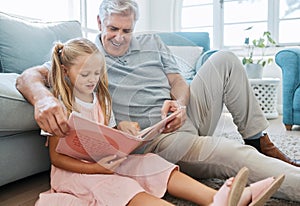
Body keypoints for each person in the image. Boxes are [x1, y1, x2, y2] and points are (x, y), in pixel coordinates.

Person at [16, 0, 300, 202]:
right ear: (100, 23)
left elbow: (178, 81)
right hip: (157, 141)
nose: (119, 37)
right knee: (234, 155)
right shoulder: (86, 55)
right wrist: (42, 98)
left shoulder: (152, 42)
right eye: (113, 29)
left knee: (224, 59)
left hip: (179, 117)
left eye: (127, 31)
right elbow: (29, 76)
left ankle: (258, 139)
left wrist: (180, 103)